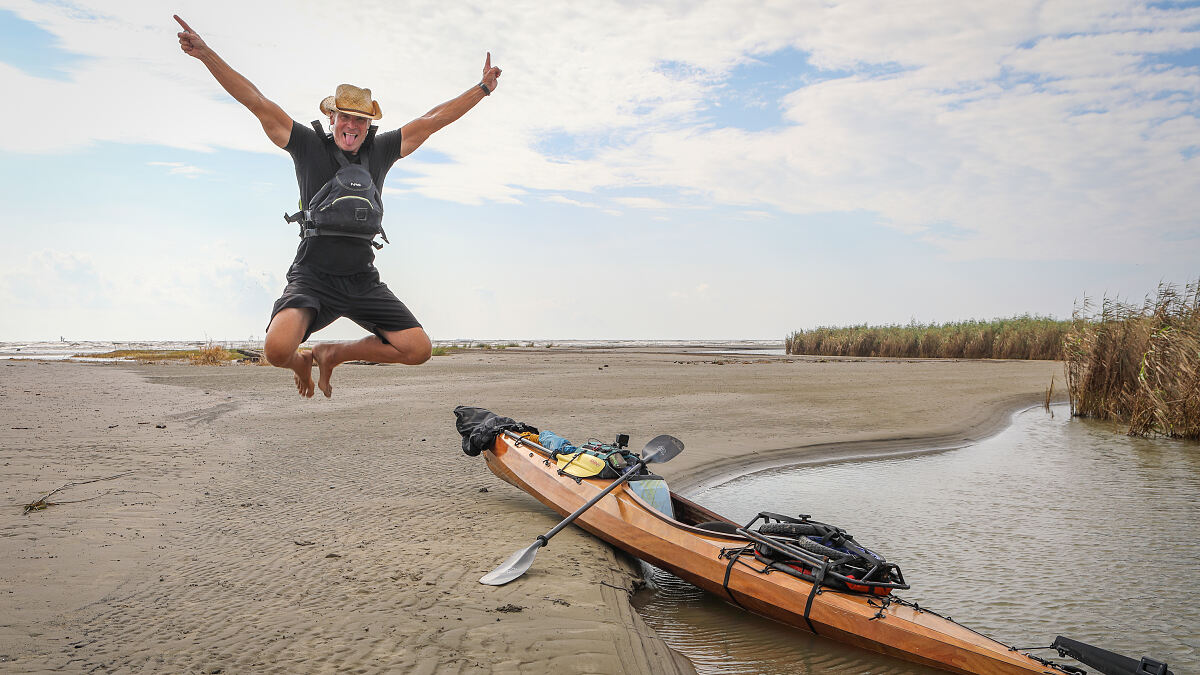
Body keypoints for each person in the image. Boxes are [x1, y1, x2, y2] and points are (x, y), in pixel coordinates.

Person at [174, 15, 501, 398]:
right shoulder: (306, 144)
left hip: (362, 279)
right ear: (332, 118)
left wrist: (482, 89)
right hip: (313, 276)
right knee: (276, 350)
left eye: (360, 119)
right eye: (345, 116)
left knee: (418, 349)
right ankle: (302, 361)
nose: (352, 125)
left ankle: (334, 353)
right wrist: (206, 54)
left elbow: (432, 120)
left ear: (368, 123)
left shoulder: (382, 149)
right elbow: (255, 101)